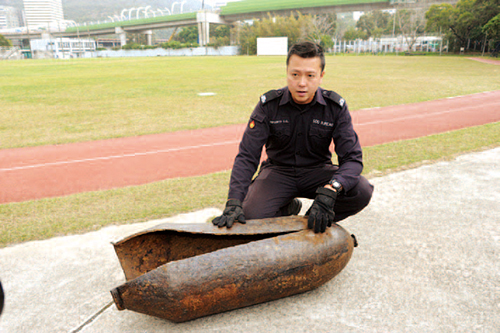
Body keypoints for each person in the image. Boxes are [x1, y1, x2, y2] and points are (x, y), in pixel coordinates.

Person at [212, 41, 374, 233]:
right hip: (278, 172)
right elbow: (248, 155)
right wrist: (234, 201)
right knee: (248, 216)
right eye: (295, 74)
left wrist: (332, 189)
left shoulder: (335, 107)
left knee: (361, 191)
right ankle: (286, 209)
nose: (302, 83)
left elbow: (353, 159)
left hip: (317, 172)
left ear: (321, 76)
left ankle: (313, 218)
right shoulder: (268, 105)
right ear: (287, 72)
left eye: (310, 75)